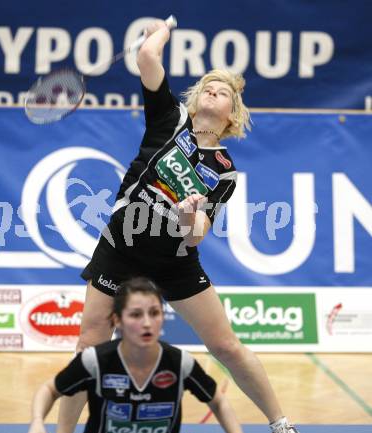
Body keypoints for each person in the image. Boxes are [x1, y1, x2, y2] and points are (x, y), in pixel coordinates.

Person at [57, 18, 299, 433]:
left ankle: (280, 424)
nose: (213, 91)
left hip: (174, 260)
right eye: (208, 86)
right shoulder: (169, 119)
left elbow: (197, 234)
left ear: (231, 115)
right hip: (122, 247)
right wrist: (159, 33)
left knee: (224, 344)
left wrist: (190, 216)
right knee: (89, 344)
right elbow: (148, 56)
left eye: (223, 92)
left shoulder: (224, 172)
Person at [29, 277, 243, 433]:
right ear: (117, 320)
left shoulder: (180, 364)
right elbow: (50, 389)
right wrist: (38, 422)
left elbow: (218, 401)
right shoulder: (95, 361)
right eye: (136, 315)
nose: (147, 323)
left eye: (154, 313)